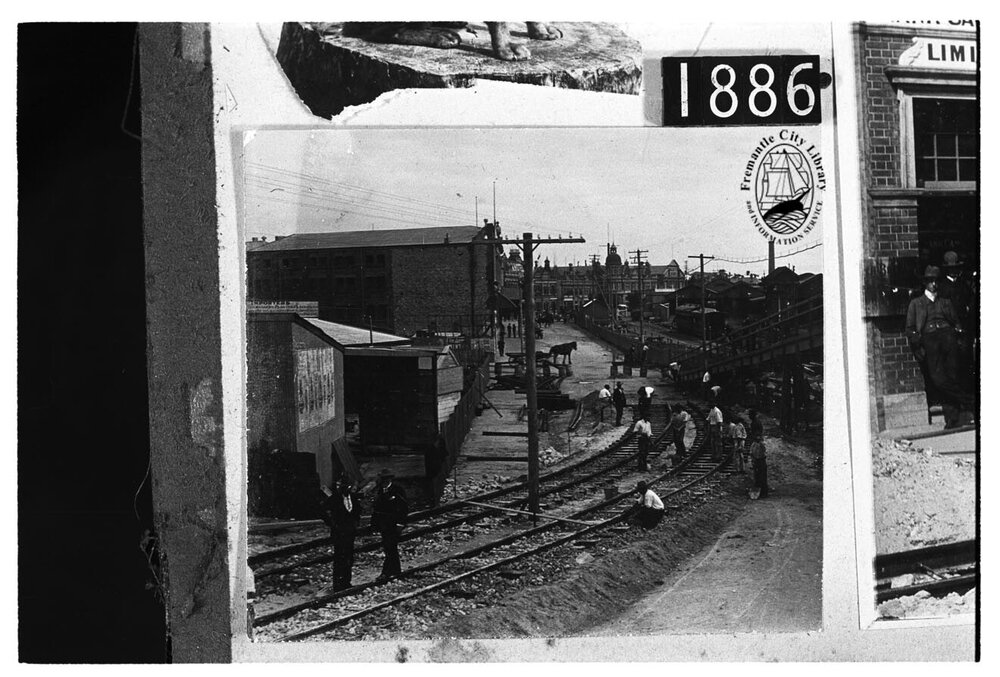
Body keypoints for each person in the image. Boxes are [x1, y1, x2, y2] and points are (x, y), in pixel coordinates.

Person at [905, 265, 973, 429]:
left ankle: (952, 418)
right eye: (930, 281)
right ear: (925, 283)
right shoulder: (917, 303)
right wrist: (917, 344)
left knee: (951, 375)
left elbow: (956, 323)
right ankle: (971, 401)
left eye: (936, 281)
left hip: (948, 339)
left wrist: (959, 336)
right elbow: (909, 328)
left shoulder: (945, 302)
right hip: (930, 341)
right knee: (938, 379)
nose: (934, 284)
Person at [320, 475, 362, 591]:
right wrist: (333, 524)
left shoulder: (352, 498)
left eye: (348, 487)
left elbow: (357, 511)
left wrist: (355, 523)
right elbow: (323, 511)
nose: (346, 489)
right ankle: (338, 585)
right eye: (343, 487)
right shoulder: (334, 499)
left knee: (349, 557)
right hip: (339, 534)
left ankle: (346, 582)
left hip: (350, 533)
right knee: (339, 559)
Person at [372, 469, 409, 581]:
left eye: (386, 479)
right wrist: (375, 525)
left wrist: (401, 523)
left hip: (394, 524)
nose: (384, 481)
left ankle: (386, 573)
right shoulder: (380, 491)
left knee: (390, 547)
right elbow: (376, 509)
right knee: (390, 548)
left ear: (390, 479)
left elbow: (404, 508)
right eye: (383, 479)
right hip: (384, 525)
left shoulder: (397, 490)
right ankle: (396, 571)